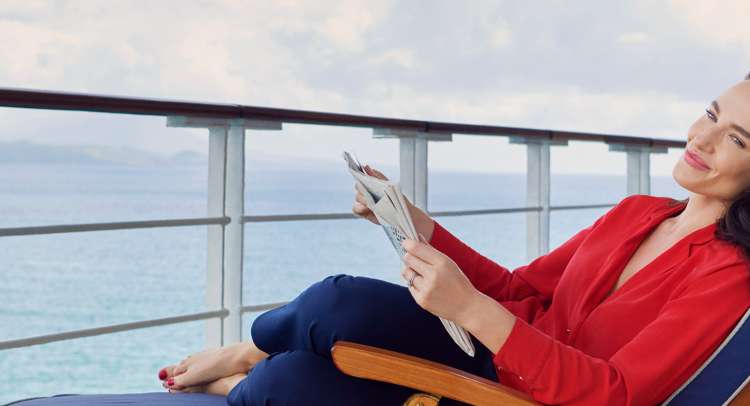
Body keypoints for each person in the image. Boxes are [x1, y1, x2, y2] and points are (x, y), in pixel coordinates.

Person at [156, 78, 750, 405]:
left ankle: (246, 379)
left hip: (518, 397)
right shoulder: (638, 212)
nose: (703, 139)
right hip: (487, 351)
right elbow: (518, 289)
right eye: (710, 114)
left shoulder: (730, 275)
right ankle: (249, 351)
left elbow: (614, 395)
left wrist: (468, 309)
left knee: (289, 385)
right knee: (336, 299)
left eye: (738, 140)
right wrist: (413, 222)